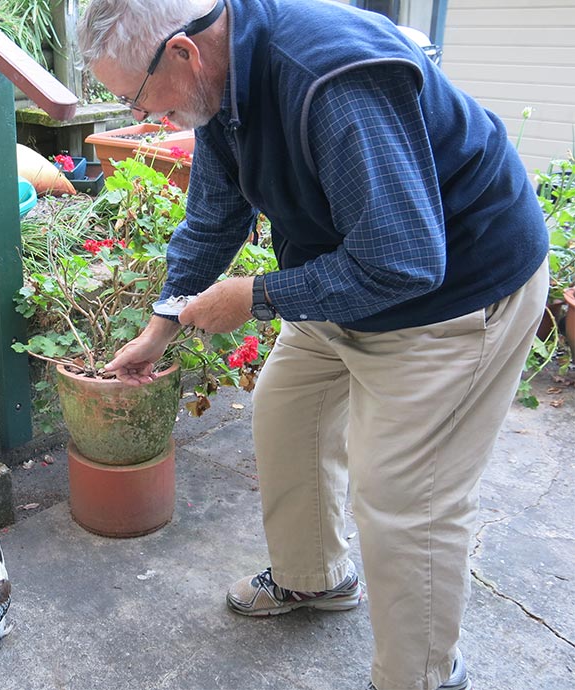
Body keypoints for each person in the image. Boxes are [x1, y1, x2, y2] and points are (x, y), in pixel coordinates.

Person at [77, 1, 549, 689]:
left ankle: (420, 677)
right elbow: (213, 215)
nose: (142, 116)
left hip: (454, 292)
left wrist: (256, 298)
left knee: (405, 502)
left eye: (135, 97)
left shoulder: (330, 76)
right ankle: (315, 579)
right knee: (286, 417)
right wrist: (161, 325)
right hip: (345, 274)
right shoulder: (219, 81)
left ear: (182, 53)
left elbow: (404, 262)